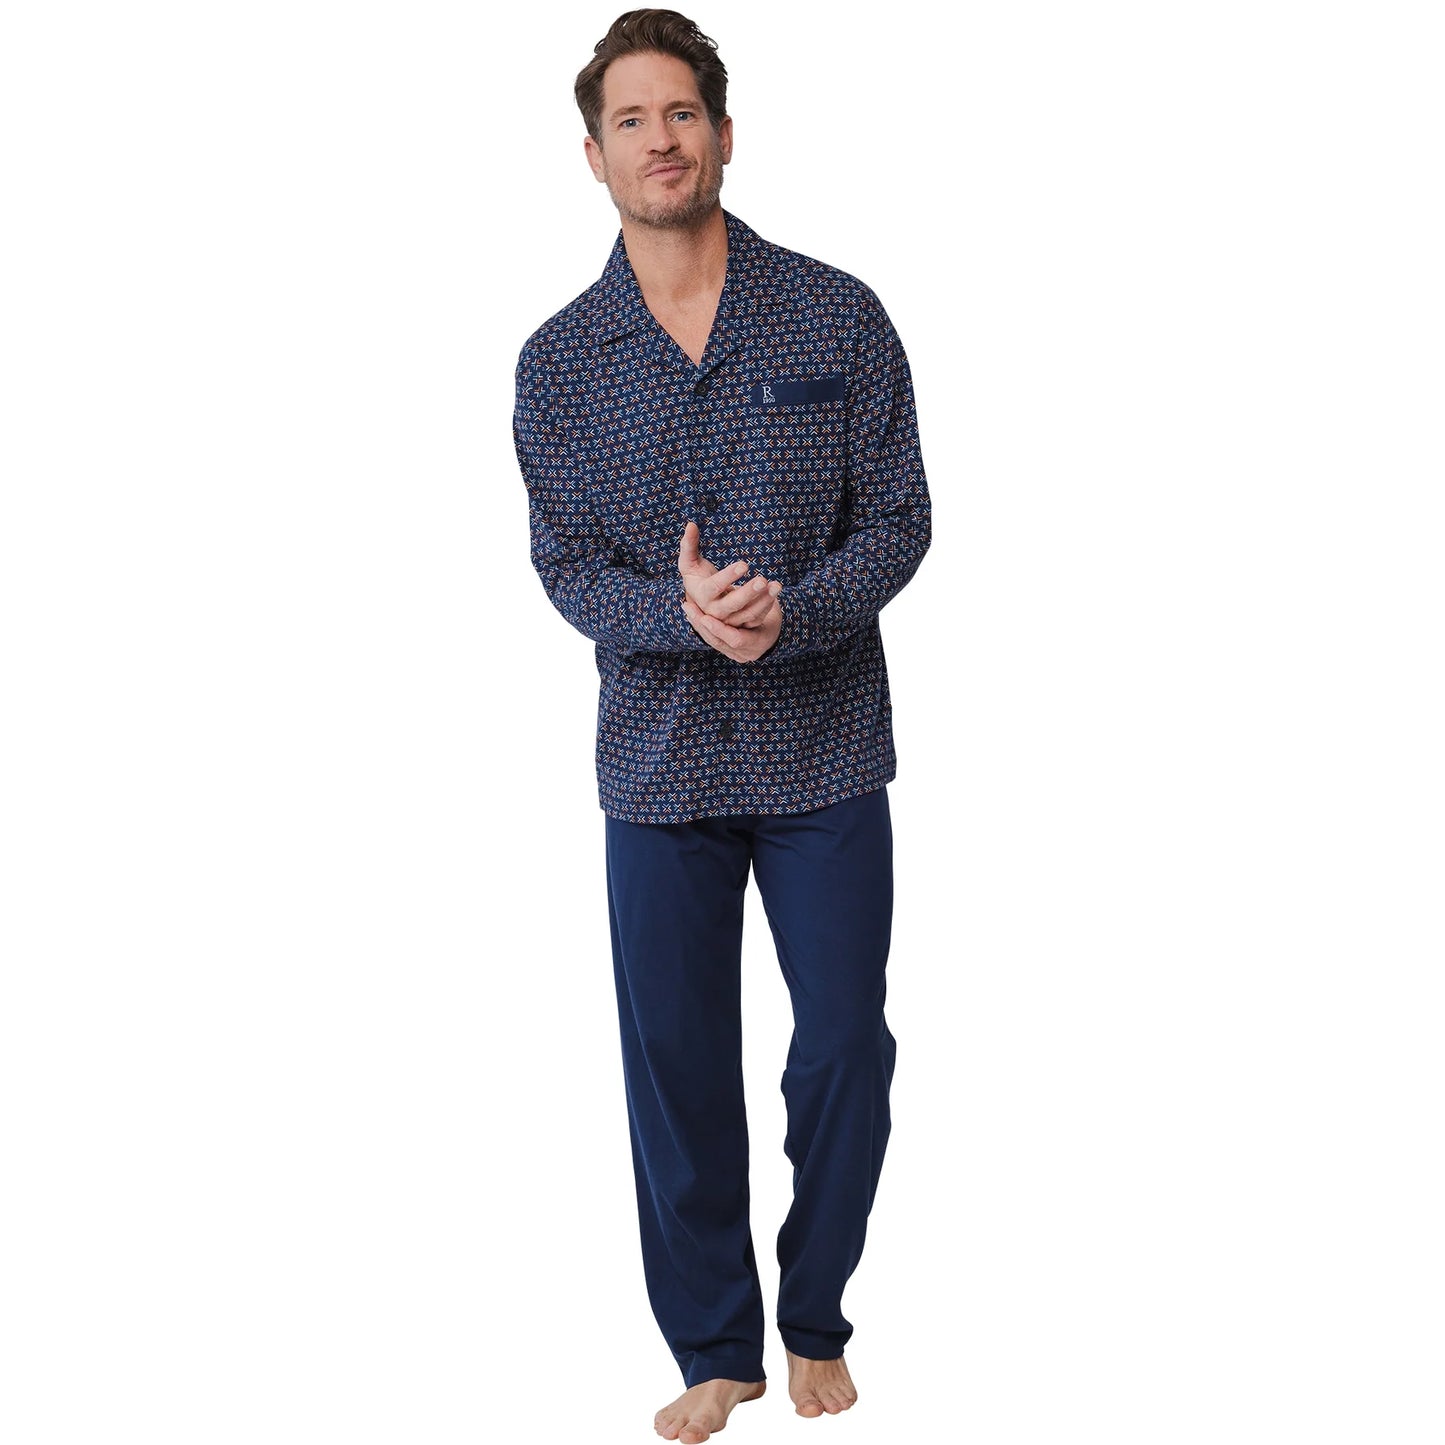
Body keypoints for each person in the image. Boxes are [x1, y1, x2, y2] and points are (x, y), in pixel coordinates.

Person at [513, 10, 931, 1441]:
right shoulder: (559, 362)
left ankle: (814, 1310)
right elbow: (565, 565)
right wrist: (678, 616)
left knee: (845, 1046)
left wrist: (794, 612)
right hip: (657, 763)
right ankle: (716, 1347)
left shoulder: (838, 313)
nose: (661, 140)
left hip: (825, 745)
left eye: (681, 112)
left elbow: (899, 517)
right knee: (677, 1069)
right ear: (593, 156)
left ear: (725, 133)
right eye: (630, 120)